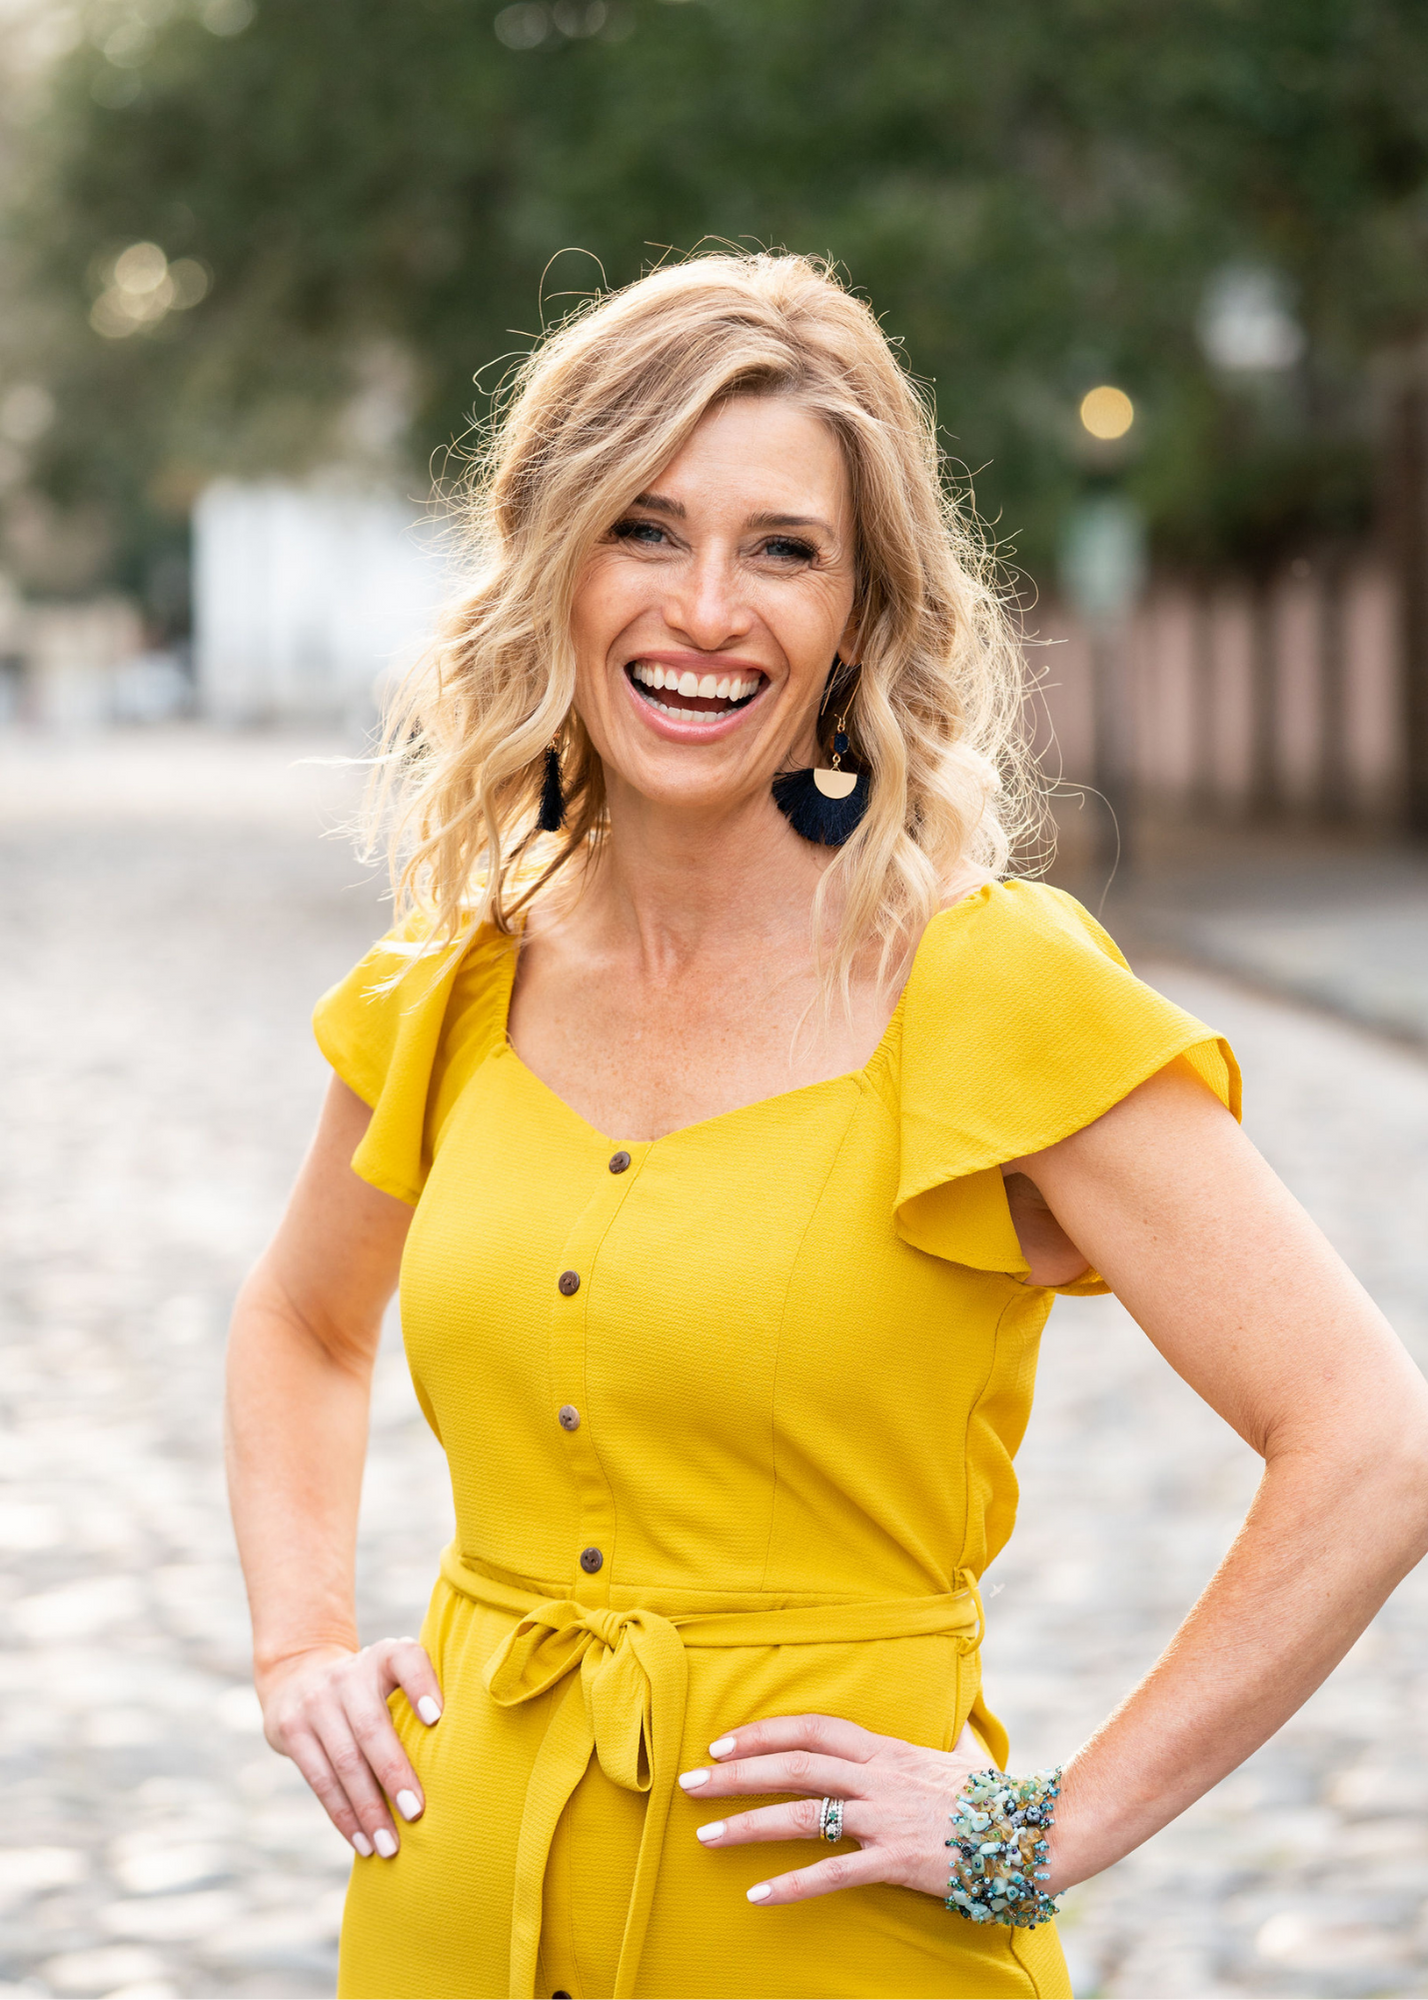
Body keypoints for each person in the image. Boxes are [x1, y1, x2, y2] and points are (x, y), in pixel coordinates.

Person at [225, 252, 1428, 2000]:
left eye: (784, 550)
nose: (707, 607)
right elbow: (301, 1320)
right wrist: (298, 1646)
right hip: (446, 1921)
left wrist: (1050, 1825)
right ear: (554, 560)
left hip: (839, 1945)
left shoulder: (986, 985)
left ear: (861, 616)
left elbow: (1373, 1441)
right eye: (645, 529)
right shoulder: (453, 983)